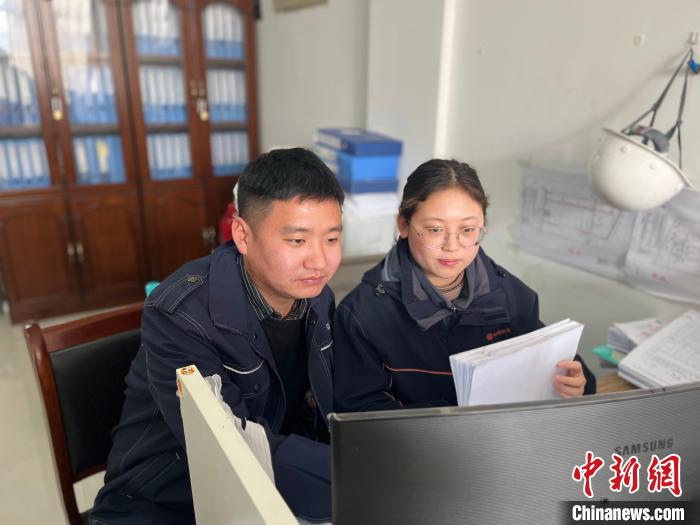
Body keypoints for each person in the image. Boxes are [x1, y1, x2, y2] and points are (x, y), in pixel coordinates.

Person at [90, 148, 344, 524]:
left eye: (332, 239)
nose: (319, 261)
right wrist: (352, 473)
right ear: (243, 235)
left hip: (268, 495)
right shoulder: (178, 315)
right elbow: (232, 448)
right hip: (166, 501)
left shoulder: (318, 297)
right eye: (297, 241)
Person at [333, 159, 596, 413]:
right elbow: (359, 414)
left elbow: (549, 365)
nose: (452, 245)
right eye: (435, 229)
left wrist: (575, 382)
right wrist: (455, 418)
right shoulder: (362, 315)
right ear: (403, 224)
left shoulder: (512, 297)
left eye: (468, 230)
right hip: (418, 444)